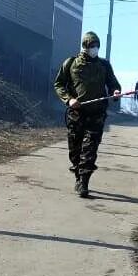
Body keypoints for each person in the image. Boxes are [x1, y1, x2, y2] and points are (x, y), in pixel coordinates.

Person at [53, 31, 121, 198]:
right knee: (75, 149)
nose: (95, 49)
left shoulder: (104, 65)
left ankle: (84, 181)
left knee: (90, 149)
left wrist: (116, 91)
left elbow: (113, 83)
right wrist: (69, 100)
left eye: (97, 46)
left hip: (96, 114)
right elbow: (59, 84)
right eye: (91, 46)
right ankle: (78, 175)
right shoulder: (70, 63)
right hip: (76, 114)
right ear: (84, 46)